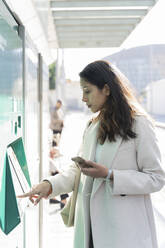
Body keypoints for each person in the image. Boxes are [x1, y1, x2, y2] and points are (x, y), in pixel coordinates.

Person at [18, 60, 165, 248]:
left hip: (125, 235)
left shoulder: (139, 123)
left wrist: (110, 175)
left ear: (106, 89)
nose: (83, 98)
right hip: (90, 233)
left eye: (87, 91)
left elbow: (156, 178)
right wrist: (49, 185)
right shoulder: (93, 125)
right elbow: (78, 169)